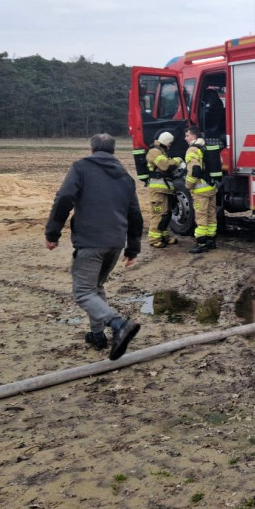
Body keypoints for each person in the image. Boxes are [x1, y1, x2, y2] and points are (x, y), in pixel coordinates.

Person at [44, 133, 143, 360]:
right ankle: (98, 336)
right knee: (96, 287)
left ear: (91, 149)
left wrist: (52, 233)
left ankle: (119, 324)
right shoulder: (125, 177)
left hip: (91, 240)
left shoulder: (81, 168)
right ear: (113, 151)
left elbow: (64, 198)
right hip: (115, 243)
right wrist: (132, 249)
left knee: (83, 292)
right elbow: (135, 215)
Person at [146, 131, 182, 248]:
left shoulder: (162, 152)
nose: (170, 145)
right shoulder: (154, 151)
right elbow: (165, 166)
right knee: (158, 214)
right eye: (170, 143)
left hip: (165, 189)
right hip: (158, 189)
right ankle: (154, 239)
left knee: (166, 214)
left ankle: (164, 236)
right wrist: (177, 160)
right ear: (166, 141)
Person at [184, 127, 218, 254]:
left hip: (200, 190)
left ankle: (201, 243)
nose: (185, 138)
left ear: (193, 136)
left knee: (201, 216)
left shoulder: (192, 149)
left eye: (187, 135)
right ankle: (211, 240)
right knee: (211, 215)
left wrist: (188, 185)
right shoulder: (206, 147)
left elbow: (194, 170)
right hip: (211, 187)